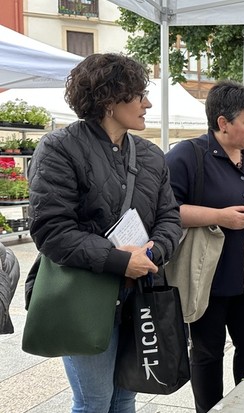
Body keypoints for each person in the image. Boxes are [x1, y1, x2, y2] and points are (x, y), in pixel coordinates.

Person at [26, 53, 182, 412]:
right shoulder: (59, 148)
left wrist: (152, 254)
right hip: (84, 297)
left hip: (137, 294)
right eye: (139, 94)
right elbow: (51, 230)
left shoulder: (151, 155)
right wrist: (119, 260)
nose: (147, 103)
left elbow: (169, 217)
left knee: (127, 394)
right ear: (109, 99)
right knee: (94, 402)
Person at [165, 80, 244, 413]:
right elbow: (166, 211)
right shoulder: (187, 156)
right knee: (207, 354)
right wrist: (219, 216)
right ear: (222, 122)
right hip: (207, 281)